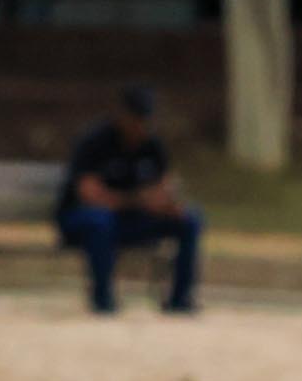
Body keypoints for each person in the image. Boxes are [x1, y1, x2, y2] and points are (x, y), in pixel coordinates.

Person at [57, 84, 205, 316]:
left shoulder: (153, 146)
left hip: (130, 220)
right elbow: (90, 195)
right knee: (100, 220)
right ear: (122, 115)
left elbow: (164, 187)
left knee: (190, 219)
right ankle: (103, 299)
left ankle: (180, 298)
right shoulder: (94, 142)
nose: (141, 126)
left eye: (145, 120)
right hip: (83, 220)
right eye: (136, 119)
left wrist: (169, 204)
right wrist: (140, 200)